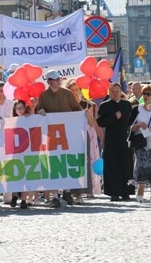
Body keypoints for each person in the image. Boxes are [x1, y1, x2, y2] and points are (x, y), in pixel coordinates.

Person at [36, 69, 83, 207]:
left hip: (68, 134)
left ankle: (67, 192)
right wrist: (41, 111)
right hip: (52, 135)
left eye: (59, 79)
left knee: (67, 161)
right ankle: (55, 196)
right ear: (49, 81)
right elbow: (40, 111)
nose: (58, 81)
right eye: (55, 79)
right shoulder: (43, 96)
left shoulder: (67, 94)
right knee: (54, 163)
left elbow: (77, 109)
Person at [97, 83, 134, 202]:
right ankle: (114, 192)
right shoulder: (104, 106)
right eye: (112, 91)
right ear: (109, 92)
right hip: (111, 140)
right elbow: (101, 122)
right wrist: (114, 117)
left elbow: (131, 121)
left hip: (125, 139)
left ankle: (126, 192)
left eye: (117, 91)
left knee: (126, 165)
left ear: (121, 92)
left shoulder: (127, 104)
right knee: (112, 166)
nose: (115, 93)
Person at [66, 79, 102, 200]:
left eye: (77, 89)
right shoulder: (66, 106)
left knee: (88, 160)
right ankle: (74, 191)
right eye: (72, 90)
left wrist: (88, 116)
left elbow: (92, 124)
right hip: (72, 136)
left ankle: (89, 188)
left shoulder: (88, 104)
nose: (75, 92)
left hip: (87, 135)